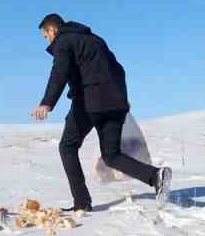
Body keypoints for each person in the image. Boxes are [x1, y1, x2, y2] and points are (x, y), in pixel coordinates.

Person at [31, 14, 171, 210]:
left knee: (67, 147)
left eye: (46, 37)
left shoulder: (64, 41)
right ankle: (155, 176)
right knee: (111, 155)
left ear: (52, 30)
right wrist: (122, 99)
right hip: (115, 103)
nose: (48, 41)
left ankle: (81, 203)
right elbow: (119, 70)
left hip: (89, 102)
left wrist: (47, 103)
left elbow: (59, 72)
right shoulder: (95, 40)